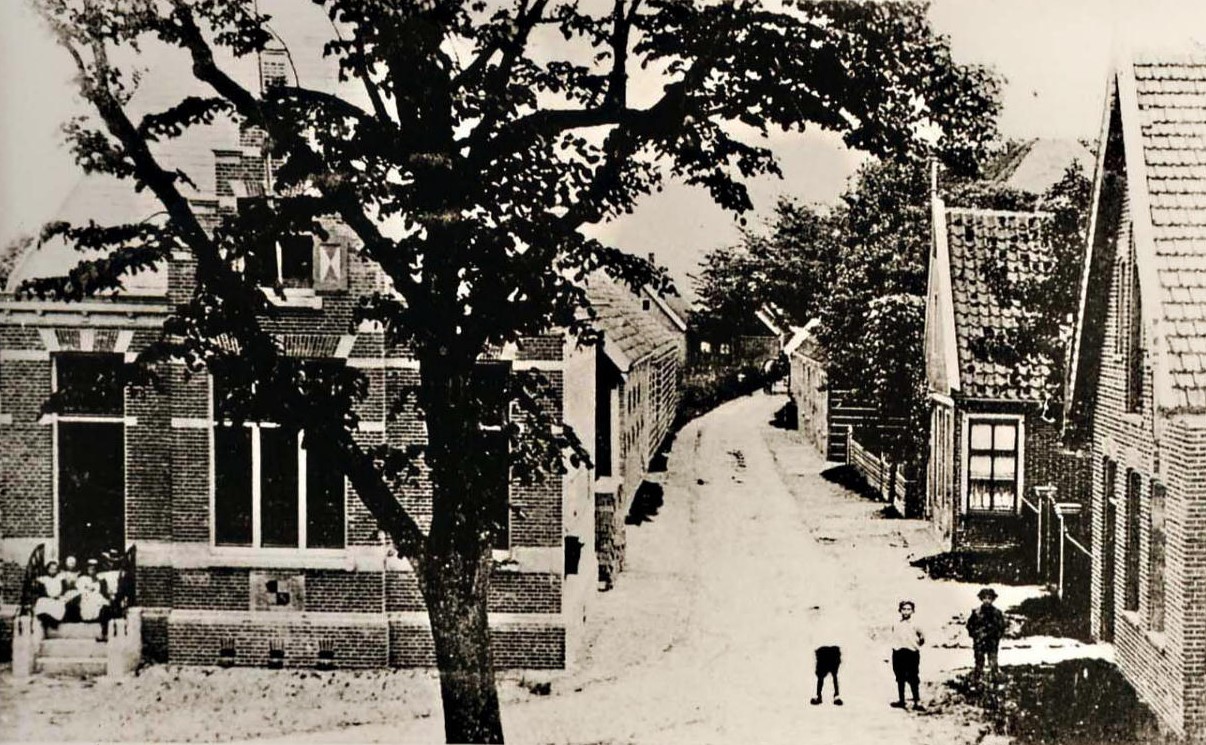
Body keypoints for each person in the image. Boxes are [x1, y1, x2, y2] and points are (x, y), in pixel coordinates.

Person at [967, 587, 1007, 688]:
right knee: (979, 662)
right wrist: (975, 635)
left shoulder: (997, 613)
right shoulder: (976, 612)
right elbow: (970, 626)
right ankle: (976, 682)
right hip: (980, 642)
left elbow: (1001, 627)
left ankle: (995, 682)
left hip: (992, 642)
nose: (987, 600)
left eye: (989, 598)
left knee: (993, 662)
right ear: (981, 599)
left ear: (993, 599)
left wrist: (996, 636)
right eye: (984, 598)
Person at [889, 600, 925, 711]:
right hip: (899, 652)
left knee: (913, 677)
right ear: (900, 610)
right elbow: (894, 637)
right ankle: (901, 701)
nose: (906, 611)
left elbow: (922, 638)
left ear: (913, 611)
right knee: (900, 677)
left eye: (908, 609)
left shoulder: (916, 625)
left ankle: (916, 702)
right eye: (904, 609)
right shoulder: (896, 624)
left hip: (911, 653)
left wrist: (915, 646)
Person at [33, 561, 75, 629]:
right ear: (48, 569)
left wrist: (59, 596)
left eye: (55, 569)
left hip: (58, 598)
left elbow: (64, 590)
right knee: (42, 602)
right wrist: (49, 596)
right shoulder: (44, 579)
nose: (53, 571)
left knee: (61, 604)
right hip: (48, 598)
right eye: (51, 569)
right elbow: (42, 592)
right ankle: (48, 620)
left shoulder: (60, 578)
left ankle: (55, 621)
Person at [75, 559, 112, 637]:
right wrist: (88, 590)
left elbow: (102, 591)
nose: (92, 570)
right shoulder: (82, 579)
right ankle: (89, 618)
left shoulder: (99, 580)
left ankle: (104, 629)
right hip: (86, 597)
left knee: (104, 605)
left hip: (96, 597)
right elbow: (80, 590)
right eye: (90, 568)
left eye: (94, 568)